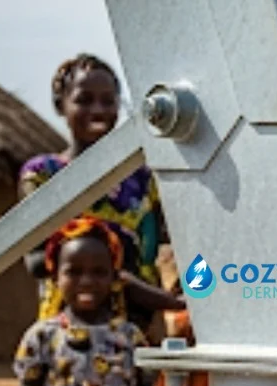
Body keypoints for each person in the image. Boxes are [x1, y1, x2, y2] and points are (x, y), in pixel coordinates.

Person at [20, 55, 186, 333]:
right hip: (68, 330)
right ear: (60, 105)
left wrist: (182, 297)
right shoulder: (43, 176)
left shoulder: (146, 179)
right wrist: (118, 279)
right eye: (84, 100)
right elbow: (36, 261)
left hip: (137, 327)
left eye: (108, 101)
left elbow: (171, 245)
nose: (98, 110)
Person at [15, 218, 168, 386]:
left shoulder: (130, 337)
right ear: (55, 276)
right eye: (74, 272)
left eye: (99, 272)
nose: (87, 281)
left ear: (115, 277)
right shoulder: (42, 338)